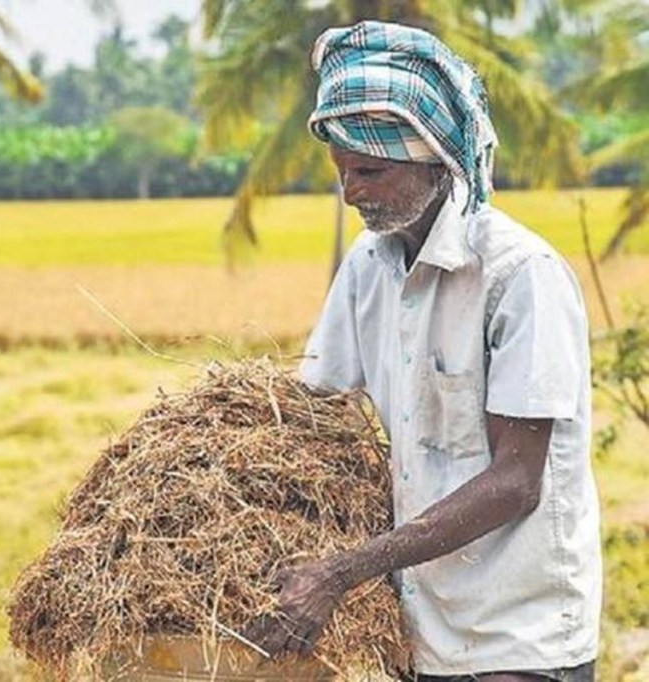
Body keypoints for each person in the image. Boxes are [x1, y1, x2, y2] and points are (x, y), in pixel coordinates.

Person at [245, 21, 601, 681]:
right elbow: (319, 418)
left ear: (433, 157)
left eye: (370, 170)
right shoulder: (366, 267)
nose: (352, 192)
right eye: (343, 172)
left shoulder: (520, 275)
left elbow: (516, 483)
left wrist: (340, 573)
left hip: (517, 637)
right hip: (417, 632)